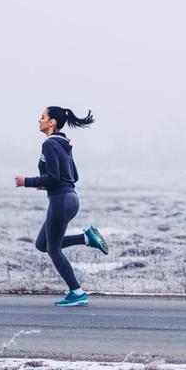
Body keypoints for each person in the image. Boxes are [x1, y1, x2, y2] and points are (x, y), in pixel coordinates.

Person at [15, 106, 109, 307]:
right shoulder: (63, 143)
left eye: (42, 117)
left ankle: (77, 292)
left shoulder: (50, 144)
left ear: (52, 122)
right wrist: (46, 184)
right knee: (42, 244)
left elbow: (53, 177)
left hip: (60, 201)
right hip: (70, 199)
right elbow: (73, 176)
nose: (39, 120)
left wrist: (27, 182)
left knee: (53, 249)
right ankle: (86, 238)